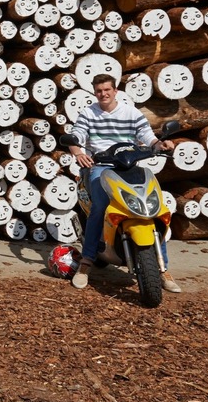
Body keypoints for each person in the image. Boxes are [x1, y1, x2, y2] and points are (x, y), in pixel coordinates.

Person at [66, 73, 180, 292]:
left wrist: (159, 143)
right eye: (99, 91)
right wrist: (78, 152)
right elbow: (76, 136)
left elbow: (145, 134)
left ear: (115, 90)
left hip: (129, 165)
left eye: (107, 90)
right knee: (100, 207)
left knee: (155, 208)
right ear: (95, 92)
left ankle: (162, 268)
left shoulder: (130, 111)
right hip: (100, 166)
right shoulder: (89, 113)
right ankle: (87, 262)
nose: (103, 94)